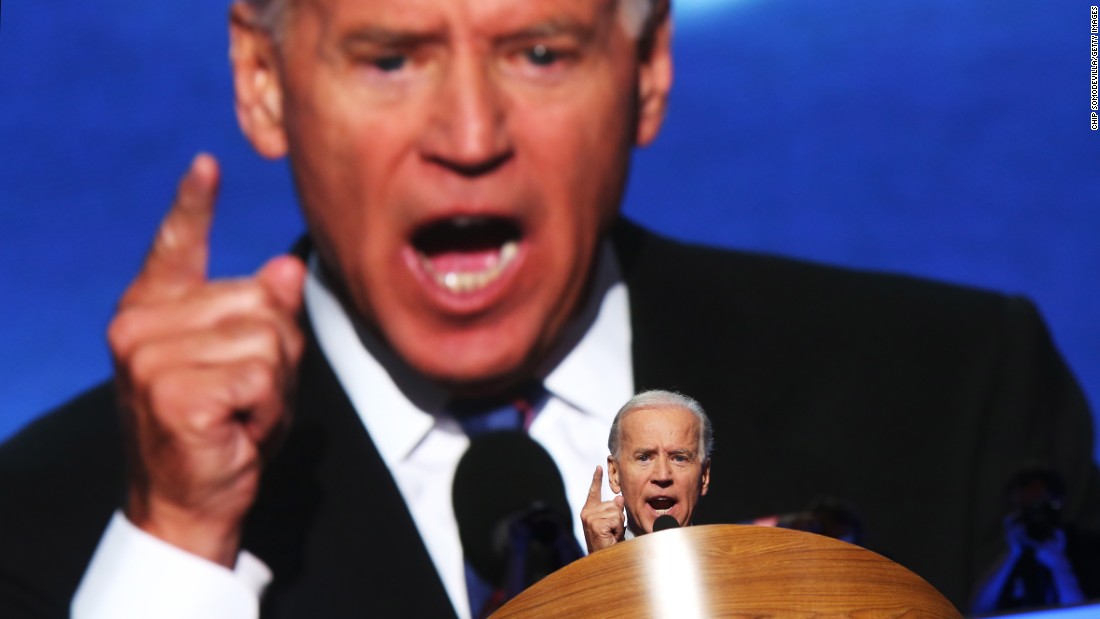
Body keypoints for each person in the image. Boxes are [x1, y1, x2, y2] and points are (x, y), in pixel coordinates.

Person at [1, 0, 1098, 616]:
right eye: (390, 60)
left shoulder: (957, 394)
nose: (470, 135)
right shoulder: (47, 524)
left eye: (538, 53)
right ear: (263, 79)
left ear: (649, 70)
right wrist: (179, 548)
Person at [581, 390, 712, 553]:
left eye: (679, 458)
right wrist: (602, 563)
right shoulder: (574, 578)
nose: (662, 475)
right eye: (644, 458)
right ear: (614, 474)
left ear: (705, 475)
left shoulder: (737, 569)